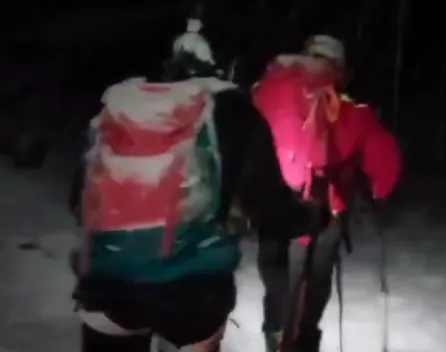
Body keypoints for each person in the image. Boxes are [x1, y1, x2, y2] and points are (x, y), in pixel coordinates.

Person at [68, 18, 314, 352]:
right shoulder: (232, 109)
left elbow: (77, 200)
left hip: (108, 286)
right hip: (194, 293)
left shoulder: (124, 108)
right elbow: (269, 205)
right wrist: (308, 218)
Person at [253, 34, 403, 352]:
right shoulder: (351, 111)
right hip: (325, 210)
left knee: (279, 281)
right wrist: (380, 192)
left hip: (277, 207)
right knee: (317, 278)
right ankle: (306, 338)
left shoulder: (267, 92)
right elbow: (384, 163)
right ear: (340, 69)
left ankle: (275, 334)